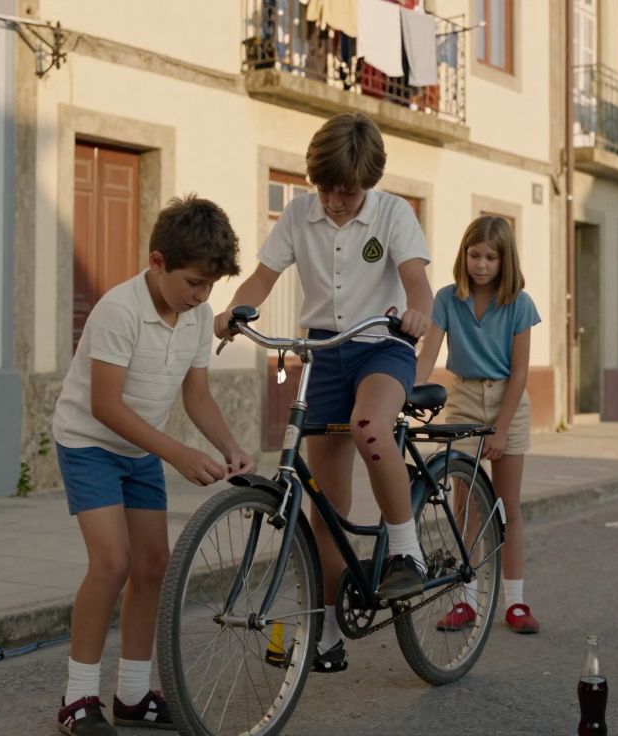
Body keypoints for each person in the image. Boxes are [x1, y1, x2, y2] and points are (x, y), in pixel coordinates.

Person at [214, 111, 433, 673]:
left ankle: (406, 548)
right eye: (327, 190)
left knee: (370, 425)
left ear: (369, 182)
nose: (336, 201)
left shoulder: (392, 213)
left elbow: (416, 281)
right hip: (323, 353)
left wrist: (417, 313)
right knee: (326, 505)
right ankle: (327, 631)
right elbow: (263, 277)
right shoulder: (297, 213)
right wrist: (238, 309)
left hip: (382, 344)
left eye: (348, 191)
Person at [52, 195, 254, 734]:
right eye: (193, 282)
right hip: (88, 443)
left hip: (139, 450)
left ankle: (134, 695)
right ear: (157, 261)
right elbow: (105, 405)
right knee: (113, 562)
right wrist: (179, 453)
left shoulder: (199, 315)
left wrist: (228, 445)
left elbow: (197, 396)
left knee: (152, 566)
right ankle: (78, 699)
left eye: (210, 286)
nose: (201, 296)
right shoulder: (120, 309)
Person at [415, 215, 542, 634]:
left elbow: (521, 372)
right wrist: (408, 391)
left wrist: (502, 429)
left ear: (505, 260)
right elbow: (428, 353)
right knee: (464, 503)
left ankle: (516, 602)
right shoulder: (447, 299)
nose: (481, 264)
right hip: (465, 399)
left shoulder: (519, 303)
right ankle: (466, 599)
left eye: (491, 257)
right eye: (475, 255)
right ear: (463, 255)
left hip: (508, 400)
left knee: (507, 506)